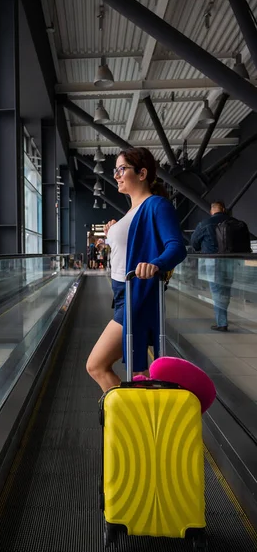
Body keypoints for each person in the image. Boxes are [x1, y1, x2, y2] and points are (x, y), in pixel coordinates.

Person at [86, 147, 187, 393]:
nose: (117, 175)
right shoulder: (133, 210)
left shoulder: (156, 205)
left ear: (142, 174)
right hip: (123, 294)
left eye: (122, 169)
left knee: (96, 365)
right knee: (139, 374)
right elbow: (128, 247)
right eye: (115, 170)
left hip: (137, 294)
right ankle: (139, 422)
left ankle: (132, 420)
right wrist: (111, 234)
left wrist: (156, 264)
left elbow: (177, 247)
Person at [191, 200, 234, 332]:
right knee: (226, 290)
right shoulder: (233, 222)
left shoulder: (205, 224)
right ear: (224, 209)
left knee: (217, 291)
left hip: (213, 261)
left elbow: (194, 243)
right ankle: (223, 317)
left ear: (211, 211)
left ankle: (222, 322)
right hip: (232, 261)